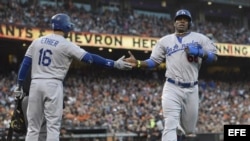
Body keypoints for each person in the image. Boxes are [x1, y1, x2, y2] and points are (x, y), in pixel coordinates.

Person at [13, 13, 132, 141]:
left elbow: (25, 64)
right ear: (66, 27)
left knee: (32, 128)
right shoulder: (66, 44)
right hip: (53, 84)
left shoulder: (37, 41)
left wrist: (19, 85)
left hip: (35, 85)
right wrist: (114, 63)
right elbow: (90, 58)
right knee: (53, 127)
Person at [124, 9, 218, 141]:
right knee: (170, 123)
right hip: (172, 86)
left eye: (185, 20)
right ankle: (175, 129)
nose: (182, 21)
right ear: (174, 22)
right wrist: (139, 63)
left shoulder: (200, 38)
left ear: (190, 23)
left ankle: (180, 131)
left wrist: (200, 52)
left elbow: (214, 58)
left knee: (189, 129)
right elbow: (153, 62)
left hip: (192, 88)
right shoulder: (165, 41)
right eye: (179, 19)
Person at [21, 68, 47, 141]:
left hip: (26, 99)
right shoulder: (44, 65)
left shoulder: (27, 62)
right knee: (43, 132)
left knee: (31, 131)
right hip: (40, 98)